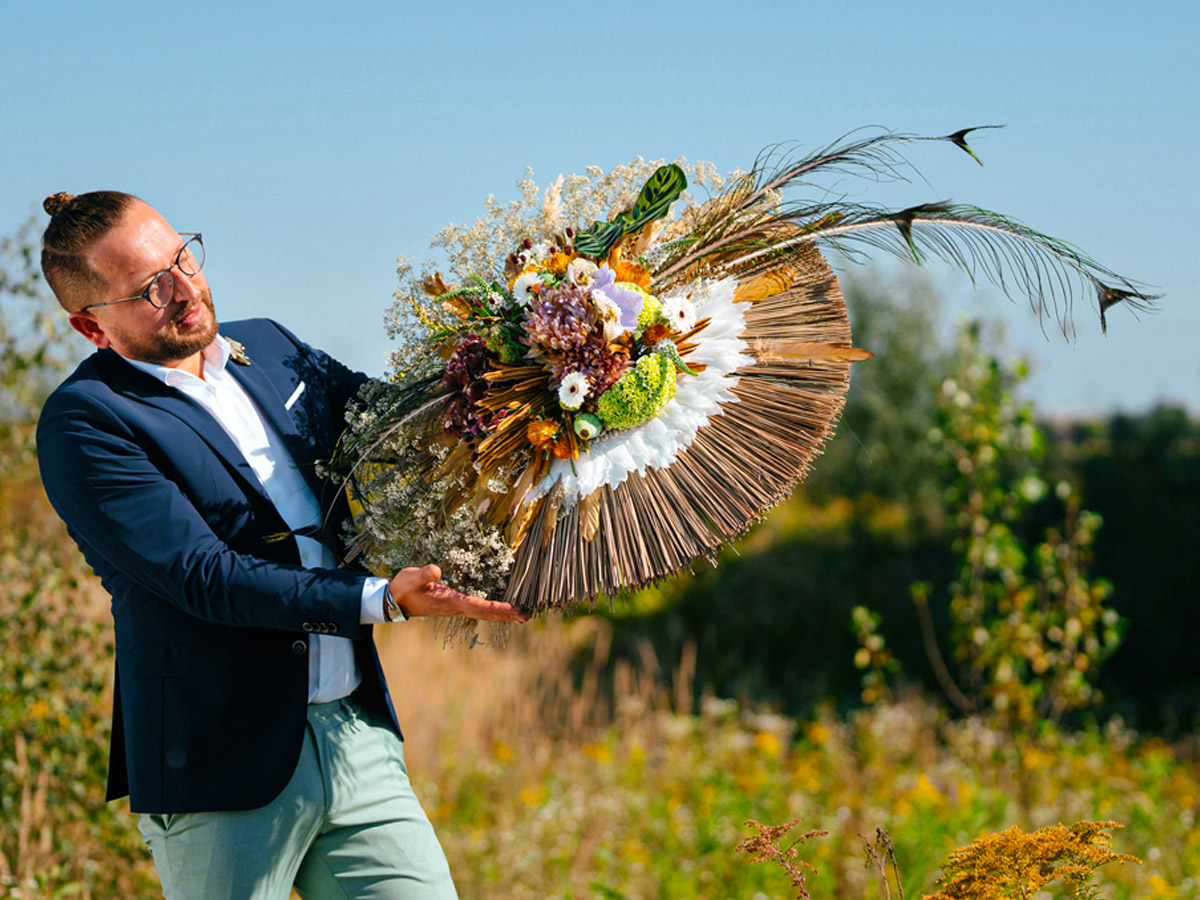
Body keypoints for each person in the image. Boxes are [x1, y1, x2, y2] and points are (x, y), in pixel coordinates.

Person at [35, 190, 527, 899]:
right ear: (90, 326)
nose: (185, 290)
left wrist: (528, 374)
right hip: (219, 764)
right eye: (149, 289)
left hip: (357, 735)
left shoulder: (267, 344)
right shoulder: (87, 423)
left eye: (182, 258)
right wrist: (382, 601)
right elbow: (208, 578)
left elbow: (393, 427)